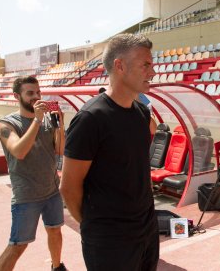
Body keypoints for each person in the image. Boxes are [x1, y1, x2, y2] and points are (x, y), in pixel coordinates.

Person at [60, 33, 159, 271]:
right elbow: (69, 186)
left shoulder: (141, 114)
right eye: (145, 65)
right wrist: (96, 227)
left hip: (146, 230)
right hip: (109, 240)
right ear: (120, 66)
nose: (152, 72)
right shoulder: (91, 119)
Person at [0, 76, 66, 271]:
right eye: (30, 93)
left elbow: (60, 149)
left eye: (38, 92)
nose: (36, 97)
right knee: (18, 245)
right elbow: (19, 151)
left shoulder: (45, 121)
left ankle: (57, 266)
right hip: (27, 196)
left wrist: (60, 125)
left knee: (55, 231)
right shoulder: (6, 123)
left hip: (51, 191)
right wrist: (37, 120)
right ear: (17, 96)